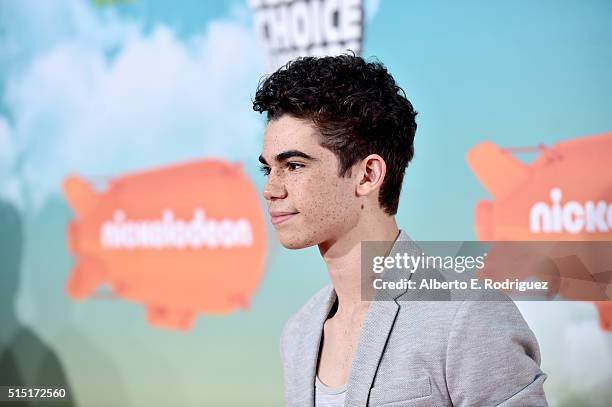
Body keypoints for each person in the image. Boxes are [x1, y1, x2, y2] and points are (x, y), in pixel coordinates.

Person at [253, 55, 548, 407]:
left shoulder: (467, 315)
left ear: (367, 175)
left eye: (294, 165)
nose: (271, 189)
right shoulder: (299, 333)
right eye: (268, 169)